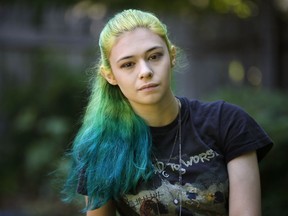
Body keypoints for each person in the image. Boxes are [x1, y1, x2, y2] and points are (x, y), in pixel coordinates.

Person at [62, 9, 273, 216]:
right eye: (128, 64)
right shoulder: (102, 148)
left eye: (154, 56)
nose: (145, 71)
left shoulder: (227, 122)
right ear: (110, 76)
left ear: (172, 56)